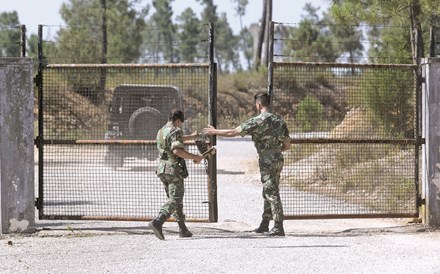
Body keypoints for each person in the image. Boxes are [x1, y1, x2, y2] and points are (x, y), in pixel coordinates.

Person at [203, 91, 291, 236]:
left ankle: (278, 226)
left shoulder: (257, 121)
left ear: (258, 104)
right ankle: (265, 224)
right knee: (269, 189)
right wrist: (276, 150)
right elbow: (287, 144)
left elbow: (233, 132)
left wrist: (215, 132)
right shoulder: (279, 120)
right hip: (278, 158)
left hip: (266, 160)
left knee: (271, 192)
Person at [150, 109, 204, 240]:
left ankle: (182, 228)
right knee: (175, 199)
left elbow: (174, 140)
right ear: (178, 120)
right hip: (173, 169)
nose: (181, 126)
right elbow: (177, 150)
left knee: (175, 199)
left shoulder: (161, 131)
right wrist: (195, 157)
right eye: (181, 123)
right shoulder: (176, 130)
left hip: (162, 169)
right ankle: (158, 221)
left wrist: (191, 137)